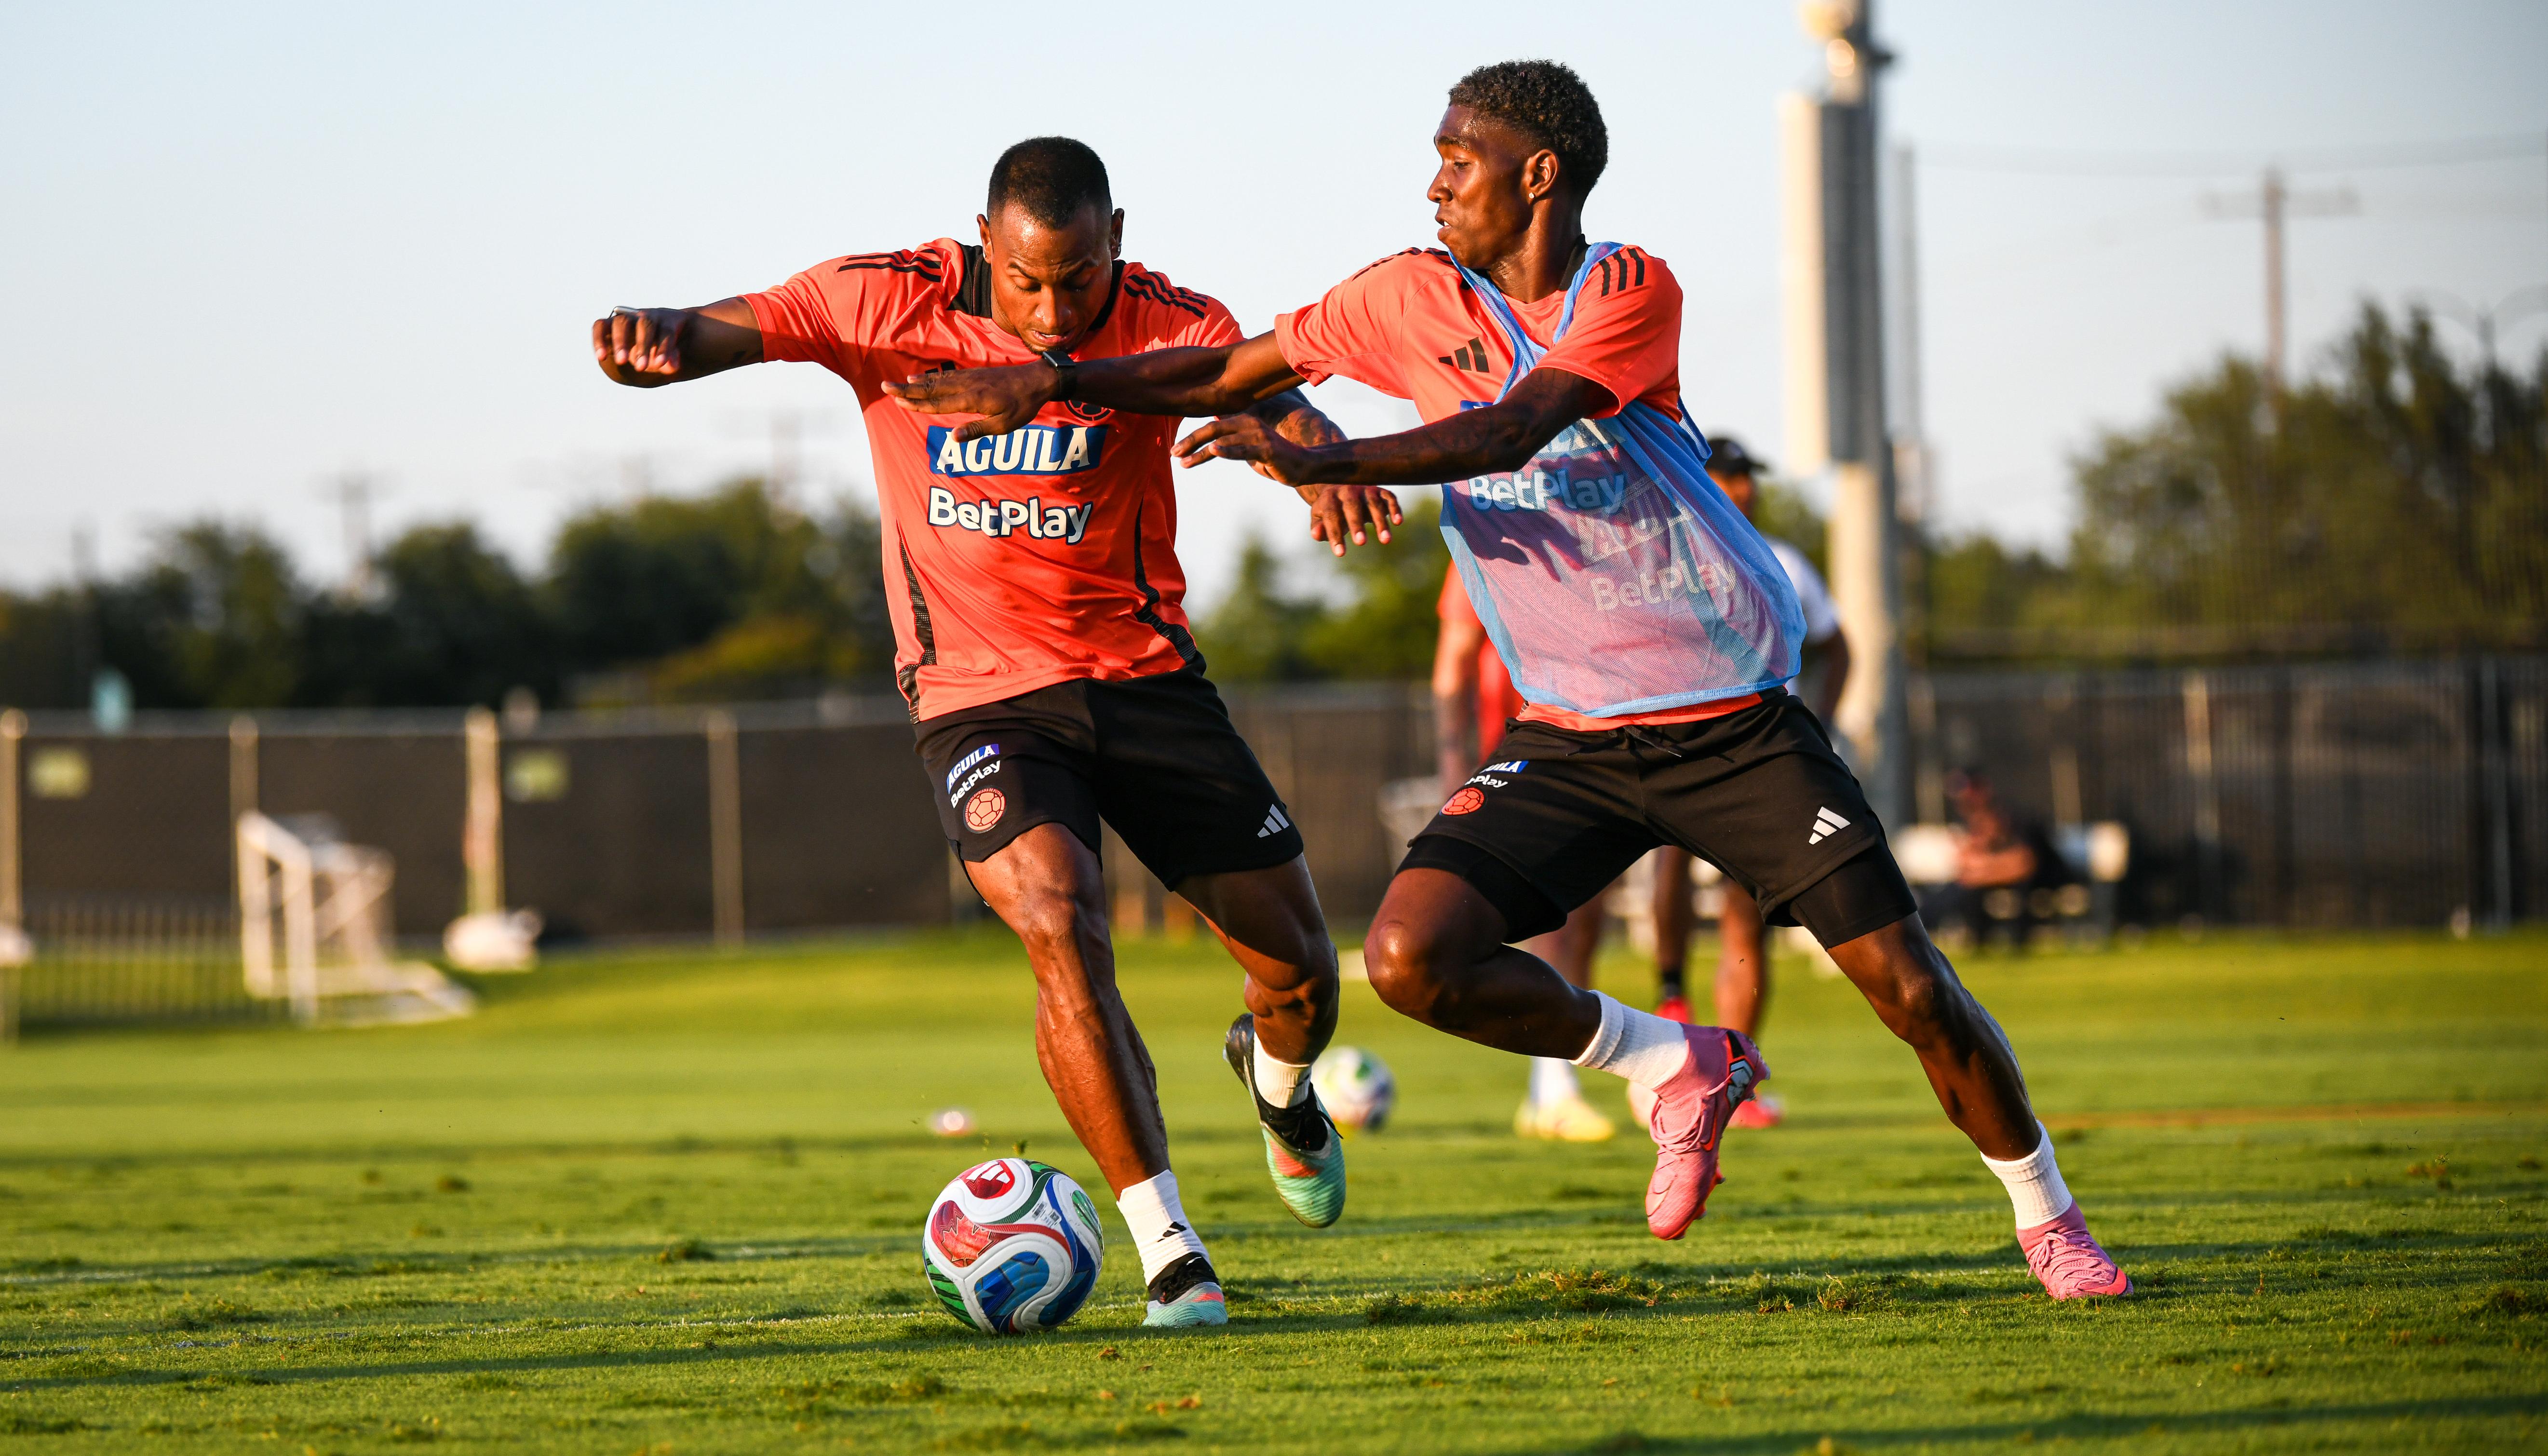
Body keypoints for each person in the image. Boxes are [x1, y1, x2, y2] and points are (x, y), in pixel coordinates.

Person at [883, 66, 2130, 1299]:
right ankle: (1670, 1063)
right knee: (1409, 959)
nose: (1433, 183)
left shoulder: (1628, 287)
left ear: (1536, 175)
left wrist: (1338, 453)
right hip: (1570, 738)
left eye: (1457, 159)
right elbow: (1227, 367)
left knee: (1909, 987)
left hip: (1732, 728)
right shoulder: (1401, 293)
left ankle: (2048, 1218)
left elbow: (1508, 428)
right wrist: (1050, 381)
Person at [591, 137, 1407, 1328]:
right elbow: (715, 328)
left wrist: (1309, 455)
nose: (1052, 307)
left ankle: (1279, 1088)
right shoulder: (885, 297)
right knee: (1058, 915)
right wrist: (650, 340)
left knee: (1298, 972)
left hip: (1146, 681)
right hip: (979, 694)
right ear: (985, 242)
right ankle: (1169, 1246)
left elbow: (1250, 382)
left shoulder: (1165, 317)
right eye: (1027, 280)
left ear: (1117, 238)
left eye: (1078, 277)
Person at [1646, 435, 1852, 1132]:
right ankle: (1671, 993)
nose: (1744, 489)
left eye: (1747, 477)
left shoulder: (1783, 560)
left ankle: (1734, 1070)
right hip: (1676, 743)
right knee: (1669, 857)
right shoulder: (1660, 556)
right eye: (1729, 477)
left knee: (1745, 910)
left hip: (1759, 751)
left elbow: (1836, 643)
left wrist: (1818, 721)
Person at [1435, 568, 1612, 1142]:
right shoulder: (1486, 537)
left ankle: (1551, 1083)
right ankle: (1554, 1087)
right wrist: (1451, 764)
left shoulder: (1595, 535)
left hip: (1597, 741)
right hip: (1523, 748)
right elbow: (1452, 663)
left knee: (1585, 920)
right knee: (1550, 917)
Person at [1920, 768, 2069, 949]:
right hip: (1997, 878)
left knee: (1993, 889)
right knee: (1953, 893)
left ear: (1982, 789)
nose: (1962, 802)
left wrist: (1982, 873)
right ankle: (1924, 936)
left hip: (2041, 878)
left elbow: (2023, 865)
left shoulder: (2014, 817)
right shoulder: (1972, 821)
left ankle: (2017, 947)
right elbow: (1965, 862)